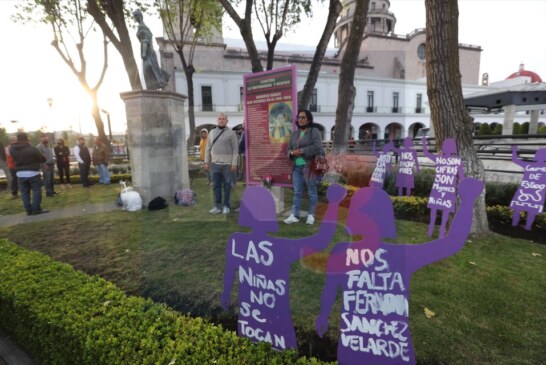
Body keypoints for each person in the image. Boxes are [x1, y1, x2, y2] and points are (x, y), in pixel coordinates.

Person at [315, 178, 483, 365]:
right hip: (389, 349)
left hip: (358, 345)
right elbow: (451, 242)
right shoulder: (400, 255)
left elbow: (330, 288)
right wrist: (467, 201)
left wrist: (323, 315)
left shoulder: (343, 251)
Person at [221, 184, 346, 350]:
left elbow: (230, 273)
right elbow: (322, 240)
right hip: (274, 325)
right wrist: (333, 204)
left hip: (250, 319)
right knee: (280, 352)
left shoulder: (236, 241)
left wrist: (226, 295)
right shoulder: (279, 248)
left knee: (251, 348)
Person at [284, 109, 323, 225]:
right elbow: (289, 149)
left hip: (309, 166)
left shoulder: (314, 132)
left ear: (309, 119)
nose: (300, 119)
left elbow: (317, 147)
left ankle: (311, 215)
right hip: (297, 167)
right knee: (297, 192)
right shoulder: (295, 134)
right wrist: (291, 153)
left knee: (311, 191)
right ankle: (294, 215)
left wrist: (301, 151)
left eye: (303, 117)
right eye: (299, 117)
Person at [422, 136, 464, 238]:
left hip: (438, 187)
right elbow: (462, 176)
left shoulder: (439, 158)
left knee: (434, 208)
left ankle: (431, 228)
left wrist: (424, 143)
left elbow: (426, 153)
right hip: (449, 189)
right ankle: (442, 230)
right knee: (445, 210)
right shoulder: (458, 160)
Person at [204, 113, 239, 215]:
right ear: (217, 120)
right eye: (219, 119)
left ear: (227, 121)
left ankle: (226, 206)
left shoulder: (231, 133)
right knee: (216, 186)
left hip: (227, 165)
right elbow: (207, 148)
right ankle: (218, 206)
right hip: (215, 165)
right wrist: (206, 162)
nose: (221, 120)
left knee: (227, 187)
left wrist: (234, 164)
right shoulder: (211, 132)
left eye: (223, 119)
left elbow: (235, 149)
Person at [9, 132, 48, 215]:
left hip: (20, 173)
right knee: (36, 191)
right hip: (33, 172)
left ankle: (28, 210)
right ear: (27, 139)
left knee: (24, 193)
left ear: (17, 139)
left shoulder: (12, 149)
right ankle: (36, 209)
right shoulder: (33, 149)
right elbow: (42, 159)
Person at [509, 146, 546, 230]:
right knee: (531, 211)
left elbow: (515, 159)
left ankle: (515, 224)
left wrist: (514, 151)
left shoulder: (529, 165)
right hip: (537, 191)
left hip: (526, 189)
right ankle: (527, 227)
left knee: (517, 209)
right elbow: (515, 160)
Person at [132, 9, 170, 90]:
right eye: (134, 16)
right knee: (152, 69)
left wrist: (144, 53)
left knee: (148, 69)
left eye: (136, 16)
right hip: (150, 53)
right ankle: (154, 88)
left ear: (140, 16)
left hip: (148, 53)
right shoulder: (143, 27)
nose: (135, 18)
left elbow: (145, 40)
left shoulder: (142, 27)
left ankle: (155, 86)